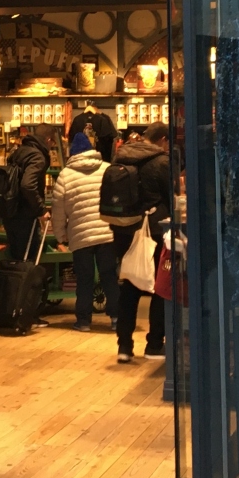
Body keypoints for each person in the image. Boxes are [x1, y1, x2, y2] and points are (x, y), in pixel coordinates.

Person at [103, 123, 171, 362]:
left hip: (123, 229)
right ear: (163, 140)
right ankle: (154, 344)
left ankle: (124, 346)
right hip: (152, 231)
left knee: (129, 286)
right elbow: (171, 196)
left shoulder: (121, 156)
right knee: (159, 286)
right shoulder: (161, 162)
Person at [50, 131, 120, 332]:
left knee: (84, 278)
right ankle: (116, 318)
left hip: (80, 234)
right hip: (107, 231)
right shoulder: (106, 169)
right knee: (109, 275)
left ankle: (83, 321)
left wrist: (60, 235)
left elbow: (58, 209)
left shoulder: (65, 175)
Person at [2, 124, 58, 261]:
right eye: (53, 142)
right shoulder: (38, 156)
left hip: (10, 211)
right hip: (25, 215)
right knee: (28, 258)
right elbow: (27, 185)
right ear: (48, 140)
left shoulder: (20, 151)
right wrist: (41, 209)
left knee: (16, 257)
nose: (52, 146)